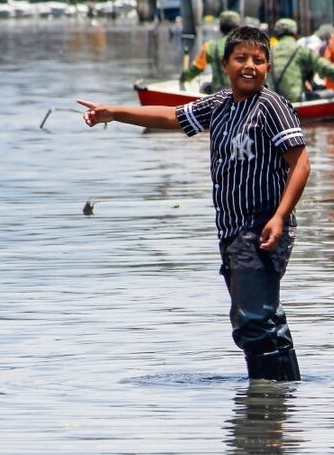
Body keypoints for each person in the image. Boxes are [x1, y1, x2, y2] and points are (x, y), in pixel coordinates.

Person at [77, 26, 310, 381]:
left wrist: (280, 217)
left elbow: (301, 164)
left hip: (262, 226)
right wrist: (115, 113)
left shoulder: (271, 107)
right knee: (260, 319)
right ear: (225, 64)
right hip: (232, 231)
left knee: (255, 322)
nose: (250, 66)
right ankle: (282, 398)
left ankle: (267, 405)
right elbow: (171, 117)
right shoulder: (219, 105)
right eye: (241, 58)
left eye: (258, 60)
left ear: (268, 67)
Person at [269, 18, 334, 103]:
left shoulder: (269, 52)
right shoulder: (300, 50)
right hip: (295, 100)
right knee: (332, 93)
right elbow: (325, 67)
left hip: (273, 102)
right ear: (295, 34)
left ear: (276, 35)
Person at [181, 10, 241, 90]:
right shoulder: (247, 46)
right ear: (238, 28)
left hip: (218, 92)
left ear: (220, 28)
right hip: (240, 92)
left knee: (204, 87)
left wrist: (183, 78)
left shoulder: (210, 46)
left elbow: (196, 69)